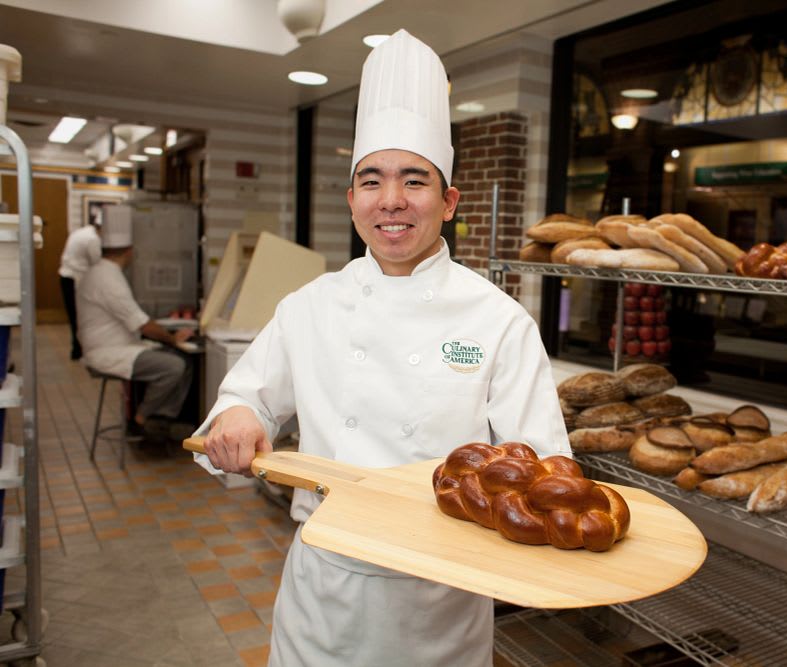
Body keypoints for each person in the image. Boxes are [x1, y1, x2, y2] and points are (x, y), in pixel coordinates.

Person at [197, 29, 570, 666]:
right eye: (371, 181)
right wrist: (238, 416)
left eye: (414, 181)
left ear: (449, 201)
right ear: (351, 201)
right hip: (323, 591)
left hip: (441, 596)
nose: (391, 201)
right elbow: (247, 398)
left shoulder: (500, 321)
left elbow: (543, 469)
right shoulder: (309, 306)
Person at [76, 205, 196, 434]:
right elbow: (142, 324)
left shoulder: (101, 272)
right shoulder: (108, 278)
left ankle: (163, 419)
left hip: (115, 346)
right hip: (108, 352)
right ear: (130, 251)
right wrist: (173, 338)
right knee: (175, 365)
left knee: (185, 363)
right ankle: (140, 420)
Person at [58, 213, 102, 360]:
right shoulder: (92, 239)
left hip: (65, 277)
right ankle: (79, 350)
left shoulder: (81, 231)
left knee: (74, 317)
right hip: (75, 280)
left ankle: (77, 350)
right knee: (80, 317)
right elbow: (98, 264)